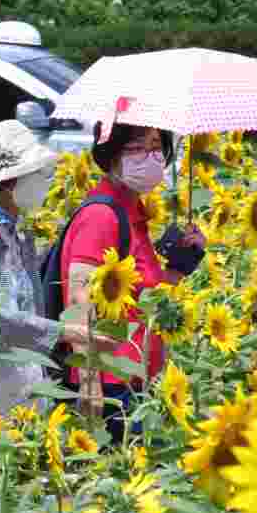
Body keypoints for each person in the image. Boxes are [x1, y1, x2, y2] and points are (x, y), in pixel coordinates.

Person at [0, 120, 116, 414]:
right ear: (9, 183)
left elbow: (30, 306)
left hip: (23, 386)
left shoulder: (18, 233)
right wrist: (67, 332)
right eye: (38, 174)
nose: (45, 181)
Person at [59, 121, 206, 443]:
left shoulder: (130, 212)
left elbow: (141, 295)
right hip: (111, 382)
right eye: (136, 148)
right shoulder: (103, 215)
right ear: (110, 155)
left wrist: (182, 263)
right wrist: (89, 381)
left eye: (156, 146)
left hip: (137, 374)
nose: (150, 156)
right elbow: (78, 298)